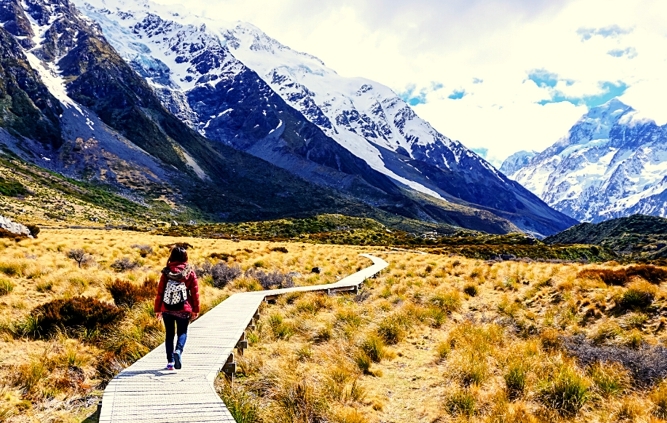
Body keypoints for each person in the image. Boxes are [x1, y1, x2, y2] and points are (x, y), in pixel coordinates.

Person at [154, 246, 199, 370]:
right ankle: (178, 351)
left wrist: (158, 309)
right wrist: (196, 309)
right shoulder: (190, 272)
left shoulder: (166, 272)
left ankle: (170, 363)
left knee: (169, 334)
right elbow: (194, 293)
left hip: (167, 308)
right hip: (183, 309)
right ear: (185, 257)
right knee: (182, 332)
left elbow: (160, 292)